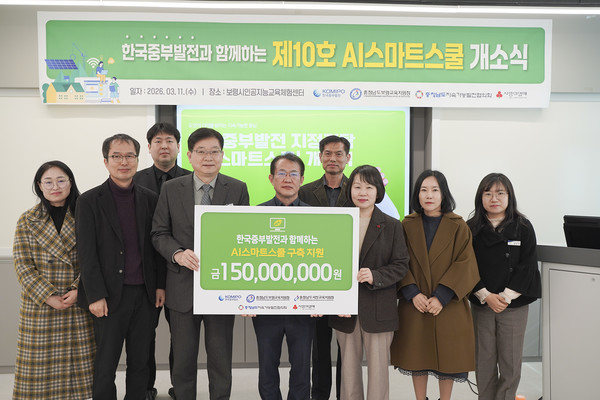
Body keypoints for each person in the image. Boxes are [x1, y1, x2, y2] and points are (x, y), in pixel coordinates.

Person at [152, 127, 250, 400]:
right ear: (189, 155)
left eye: (214, 152)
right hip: (182, 286)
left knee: (221, 357)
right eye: (202, 152)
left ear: (222, 155)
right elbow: (159, 233)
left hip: (222, 286)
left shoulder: (238, 188)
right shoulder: (171, 188)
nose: (208, 157)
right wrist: (177, 253)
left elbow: (244, 235)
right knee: (183, 358)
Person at [76, 134, 166, 400]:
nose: (123, 162)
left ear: (138, 160)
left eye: (129, 156)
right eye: (116, 156)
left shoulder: (150, 198)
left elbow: (156, 246)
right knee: (106, 363)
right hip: (108, 296)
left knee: (141, 361)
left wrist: (160, 285)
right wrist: (95, 295)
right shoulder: (89, 200)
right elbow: (86, 253)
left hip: (145, 294)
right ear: (106, 161)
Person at [390, 170, 479, 400]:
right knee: (417, 357)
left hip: (448, 304)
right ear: (417, 195)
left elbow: (466, 263)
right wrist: (412, 292)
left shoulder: (458, 225)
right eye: (424, 190)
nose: (429, 195)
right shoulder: (406, 225)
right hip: (415, 303)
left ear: (444, 194)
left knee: (447, 359)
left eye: (435, 190)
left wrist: (442, 295)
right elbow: (398, 260)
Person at [12, 161, 95, 400]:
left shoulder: (86, 214)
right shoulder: (27, 219)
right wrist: (48, 296)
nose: (55, 187)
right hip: (40, 305)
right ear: (39, 186)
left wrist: (79, 289)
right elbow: (22, 264)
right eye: (48, 182)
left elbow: (96, 257)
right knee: (38, 373)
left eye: (61, 180)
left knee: (77, 374)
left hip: (77, 302)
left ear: (71, 183)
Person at [329, 165, 410, 400]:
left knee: (378, 374)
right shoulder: (337, 221)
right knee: (348, 373)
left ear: (378, 191)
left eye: (369, 187)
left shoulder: (392, 225)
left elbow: (401, 264)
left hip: (378, 309)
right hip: (345, 310)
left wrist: (376, 275)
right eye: (357, 187)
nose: (362, 192)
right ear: (349, 190)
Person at [466, 173, 541, 400]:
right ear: (480, 198)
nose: (494, 199)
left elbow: (527, 265)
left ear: (509, 196)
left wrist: (505, 297)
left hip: (514, 304)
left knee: (510, 362)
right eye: (487, 193)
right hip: (482, 303)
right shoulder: (470, 228)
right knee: (484, 361)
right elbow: (466, 266)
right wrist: (485, 295)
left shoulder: (523, 227)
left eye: (500, 193)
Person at [134, 122, 191, 400]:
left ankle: (180, 387)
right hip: (145, 274)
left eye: (170, 140)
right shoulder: (134, 180)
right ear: (149, 147)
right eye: (158, 141)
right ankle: (146, 387)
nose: (164, 145)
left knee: (181, 338)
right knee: (145, 335)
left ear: (179, 147)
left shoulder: (194, 180)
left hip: (182, 273)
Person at [252, 152, 316, 400]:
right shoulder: (254, 215)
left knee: (302, 365)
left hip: (304, 305)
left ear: (302, 179)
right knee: (267, 364)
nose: (287, 179)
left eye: (293, 174)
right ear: (271, 178)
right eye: (281, 173)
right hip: (266, 305)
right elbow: (247, 258)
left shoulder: (318, 217)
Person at [298, 135, 352, 400]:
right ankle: (319, 395)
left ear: (347, 158)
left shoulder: (358, 189)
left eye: (338, 154)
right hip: (315, 277)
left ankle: (345, 394)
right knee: (319, 346)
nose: (333, 158)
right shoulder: (305, 191)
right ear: (320, 157)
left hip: (347, 278)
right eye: (327, 153)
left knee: (347, 347)